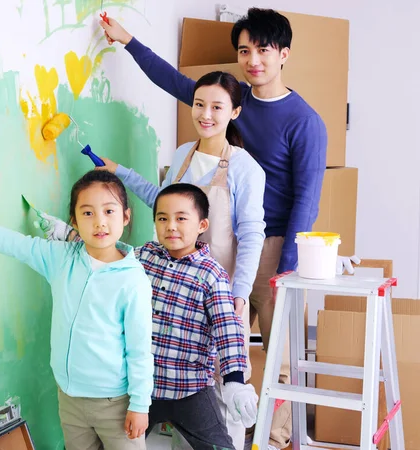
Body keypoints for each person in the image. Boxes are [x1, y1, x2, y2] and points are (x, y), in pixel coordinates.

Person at [100, 9, 328, 449]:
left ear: (284, 55)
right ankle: (224, 436)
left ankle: (275, 437)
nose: (253, 59)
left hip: (269, 247)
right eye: (245, 50)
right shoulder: (224, 101)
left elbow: (307, 199)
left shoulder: (304, 121)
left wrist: (284, 270)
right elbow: (172, 81)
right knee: (223, 354)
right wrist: (127, 39)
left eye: (263, 50)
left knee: (279, 356)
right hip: (210, 253)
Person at [96, 70, 266, 450]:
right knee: (172, 383)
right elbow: (164, 201)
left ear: (234, 112)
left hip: (218, 289)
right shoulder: (182, 154)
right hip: (175, 289)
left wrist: (239, 295)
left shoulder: (245, 168)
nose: (205, 114)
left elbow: (253, 235)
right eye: (199, 104)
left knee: (226, 394)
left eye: (217, 107)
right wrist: (118, 172)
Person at [0, 170, 154, 450]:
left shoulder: (133, 280)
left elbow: (139, 350)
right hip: (70, 398)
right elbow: (13, 243)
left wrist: (140, 405)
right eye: (87, 213)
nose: (100, 222)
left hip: (115, 404)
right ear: (73, 220)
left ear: (126, 217)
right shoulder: (59, 259)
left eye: (109, 211)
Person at [39, 182, 259, 449]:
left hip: (189, 390)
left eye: (181, 218)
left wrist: (235, 380)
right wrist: (66, 234)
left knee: (219, 446)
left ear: (202, 225)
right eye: (162, 218)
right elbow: (107, 250)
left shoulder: (211, 275)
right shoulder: (142, 257)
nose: (171, 226)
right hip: (142, 392)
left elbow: (228, 329)